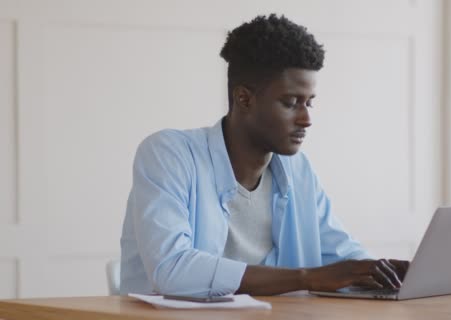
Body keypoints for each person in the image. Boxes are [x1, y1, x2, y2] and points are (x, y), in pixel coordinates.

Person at [120, 14, 408, 296]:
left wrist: (386, 273)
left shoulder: (298, 170)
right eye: (291, 102)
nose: (306, 118)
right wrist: (307, 278)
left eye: (310, 102)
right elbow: (172, 269)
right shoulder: (168, 155)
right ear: (244, 98)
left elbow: (340, 255)